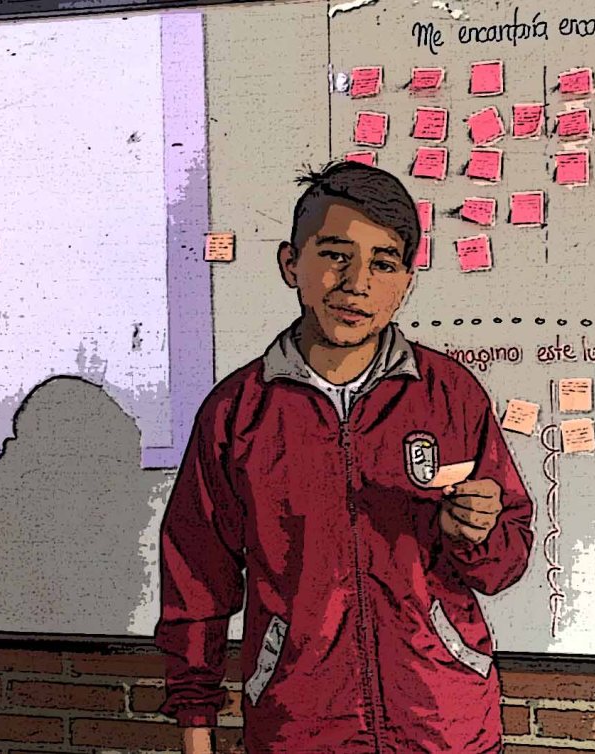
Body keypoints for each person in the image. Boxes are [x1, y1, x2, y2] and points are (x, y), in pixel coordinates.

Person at [153, 161, 534, 754]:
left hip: (443, 722)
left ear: (406, 282)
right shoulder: (237, 412)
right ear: (291, 264)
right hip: (299, 727)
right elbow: (196, 577)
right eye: (335, 255)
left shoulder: (449, 395)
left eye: (383, 263)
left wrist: (478, 535)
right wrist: (196, 724)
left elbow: (503, 565)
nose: (357, 283)